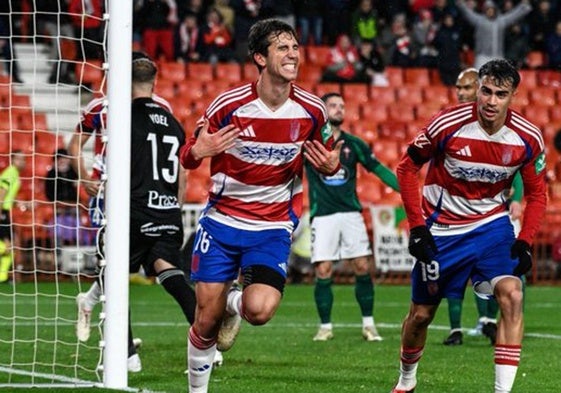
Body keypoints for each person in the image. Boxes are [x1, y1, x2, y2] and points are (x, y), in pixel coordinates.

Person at [180, 18, 342, 392]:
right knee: (205, 320)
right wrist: (198, 151)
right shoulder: (229, 104)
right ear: (259, 57)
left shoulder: (312, 110)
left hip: (271, 226)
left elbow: (330, 159)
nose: (292, 54)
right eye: (282, 47)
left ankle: (232, 305)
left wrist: (332, 166)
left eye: (295, 47)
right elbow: (190, 154)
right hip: (221, 222)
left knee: (260, 311)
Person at [391, 59, 547, 393]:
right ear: (478, 90)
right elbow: (406, 169)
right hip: (442, 230)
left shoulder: (528, 138)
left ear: (513, 96)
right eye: (486, 91)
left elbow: (537, 193)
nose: (491, 101)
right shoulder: (447, 124)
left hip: (491, 227)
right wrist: (417, 227)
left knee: (513, 296)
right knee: (420, 316)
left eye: (500, 94)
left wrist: (525, 240)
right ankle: (406, 380)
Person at [70, 52, 200, 372]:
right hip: (107, 192)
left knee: (121, 265)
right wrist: (85, 176)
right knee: (115, 264)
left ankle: (96, 313)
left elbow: (176, 162)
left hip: (143, 198)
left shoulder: (159, 110)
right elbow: (76, 143)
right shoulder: (100, 108)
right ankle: (124, 351)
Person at [306, 92, 399, 342]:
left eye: (342, 106)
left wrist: (408, 191)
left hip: (350, 214)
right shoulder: (310, 143)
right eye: (333, 106)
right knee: (323, 270)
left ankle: (369, 324)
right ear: (323, 111)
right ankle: (325, 326)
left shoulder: (354, 144)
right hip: (322, 215)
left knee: (362, 266)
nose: (339, 109)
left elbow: (379, 169)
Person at [442, 67, 522, 346]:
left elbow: (519, 166)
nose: (462, 93)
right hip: (454, 216)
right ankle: (456, 328)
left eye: (467, 87)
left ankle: (489, 321)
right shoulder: (449, 124)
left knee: (502, 273)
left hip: (494, 214)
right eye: (459, 88)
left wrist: (518, 200)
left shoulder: (507, 128)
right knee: (454, 275)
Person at [456, 0, 532, 69]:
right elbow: (468, 13)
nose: (490, 12)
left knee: (499, 80)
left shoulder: (500, 22)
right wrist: (461, 4)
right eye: (488, 10)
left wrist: (523, 6)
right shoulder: (479, 21)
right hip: (482, 56)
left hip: (497, 55)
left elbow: (513, 15)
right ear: (485, 11)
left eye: (492, 10)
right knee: (480, 78)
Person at [44, 148, 81, 249]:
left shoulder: (73, 172)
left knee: (77, 225)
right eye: (59, 158)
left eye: (64, 158)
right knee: (57, 228)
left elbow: (79, 193)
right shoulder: (51, 174)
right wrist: (58, 204)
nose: (62, 161)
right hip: (58, 210)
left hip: (73, 208)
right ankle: (59, 252)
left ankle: (76, 247)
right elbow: (48, 194)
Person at [0, 151, 26, 283]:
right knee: (8, 246)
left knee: (9, 247)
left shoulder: (15, 174)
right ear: (12, 159)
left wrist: (17, 203)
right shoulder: (10, 173)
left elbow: (8, 196)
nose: (23, 162)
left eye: (24, 159)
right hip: (2, 212)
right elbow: (1, 192)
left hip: (6, 212)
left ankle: (2, 277)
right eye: (19, 159)